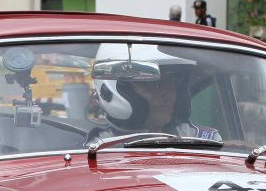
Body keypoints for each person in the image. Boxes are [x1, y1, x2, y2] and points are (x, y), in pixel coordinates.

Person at [89, 44, 221, 142]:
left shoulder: (202, 140)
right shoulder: (97, 151)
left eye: (172, 83)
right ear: (121, 90)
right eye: (151, 84)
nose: (166, 93)